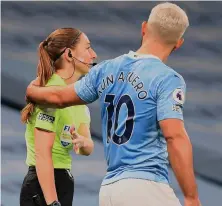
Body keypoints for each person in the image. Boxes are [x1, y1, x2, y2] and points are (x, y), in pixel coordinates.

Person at [26, 3, 202, 206]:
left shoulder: (106, 69)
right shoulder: (168, 79)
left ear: (144, 28)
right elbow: (174, 135)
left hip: (110, 189)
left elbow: (59, 98)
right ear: (178, 43)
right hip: (147, 186)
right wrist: (191, 196)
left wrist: (32, 91)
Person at [20, 28, 97, 206]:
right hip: (42, 186)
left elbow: (87, 146)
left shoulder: (78, 100)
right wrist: (52, 202)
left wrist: (83, 143)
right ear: (69, 54)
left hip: (63, 180)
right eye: (87, 48)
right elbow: (42, 154)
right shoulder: (49, 94)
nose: (93, 55)